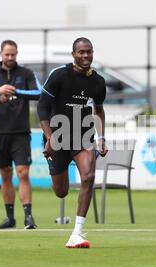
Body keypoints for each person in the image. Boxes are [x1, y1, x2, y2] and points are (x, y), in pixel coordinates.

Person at [37, 37, 108, 248]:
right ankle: (58, 171)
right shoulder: (59, 75)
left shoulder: (98, 81)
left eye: (89, 52)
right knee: (61, 192)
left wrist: (102, 137)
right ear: (74, 54)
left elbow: (99, 109)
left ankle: (77, 232)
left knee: (88, 176)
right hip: (57, 137)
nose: (86, 56)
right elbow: (41, 107)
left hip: (84, 137)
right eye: (81, 52)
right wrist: (49, 138)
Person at [0, 40, 41, 229]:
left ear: (17, 53)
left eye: (13, 54)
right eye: (7, 54)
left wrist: (15, 91)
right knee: (5, 173)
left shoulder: (26, 73)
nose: (10, 58)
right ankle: (9, 217)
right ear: (0, 54)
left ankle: (28, 217)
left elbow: (39, 93)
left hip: (21, 132)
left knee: (23, 173)